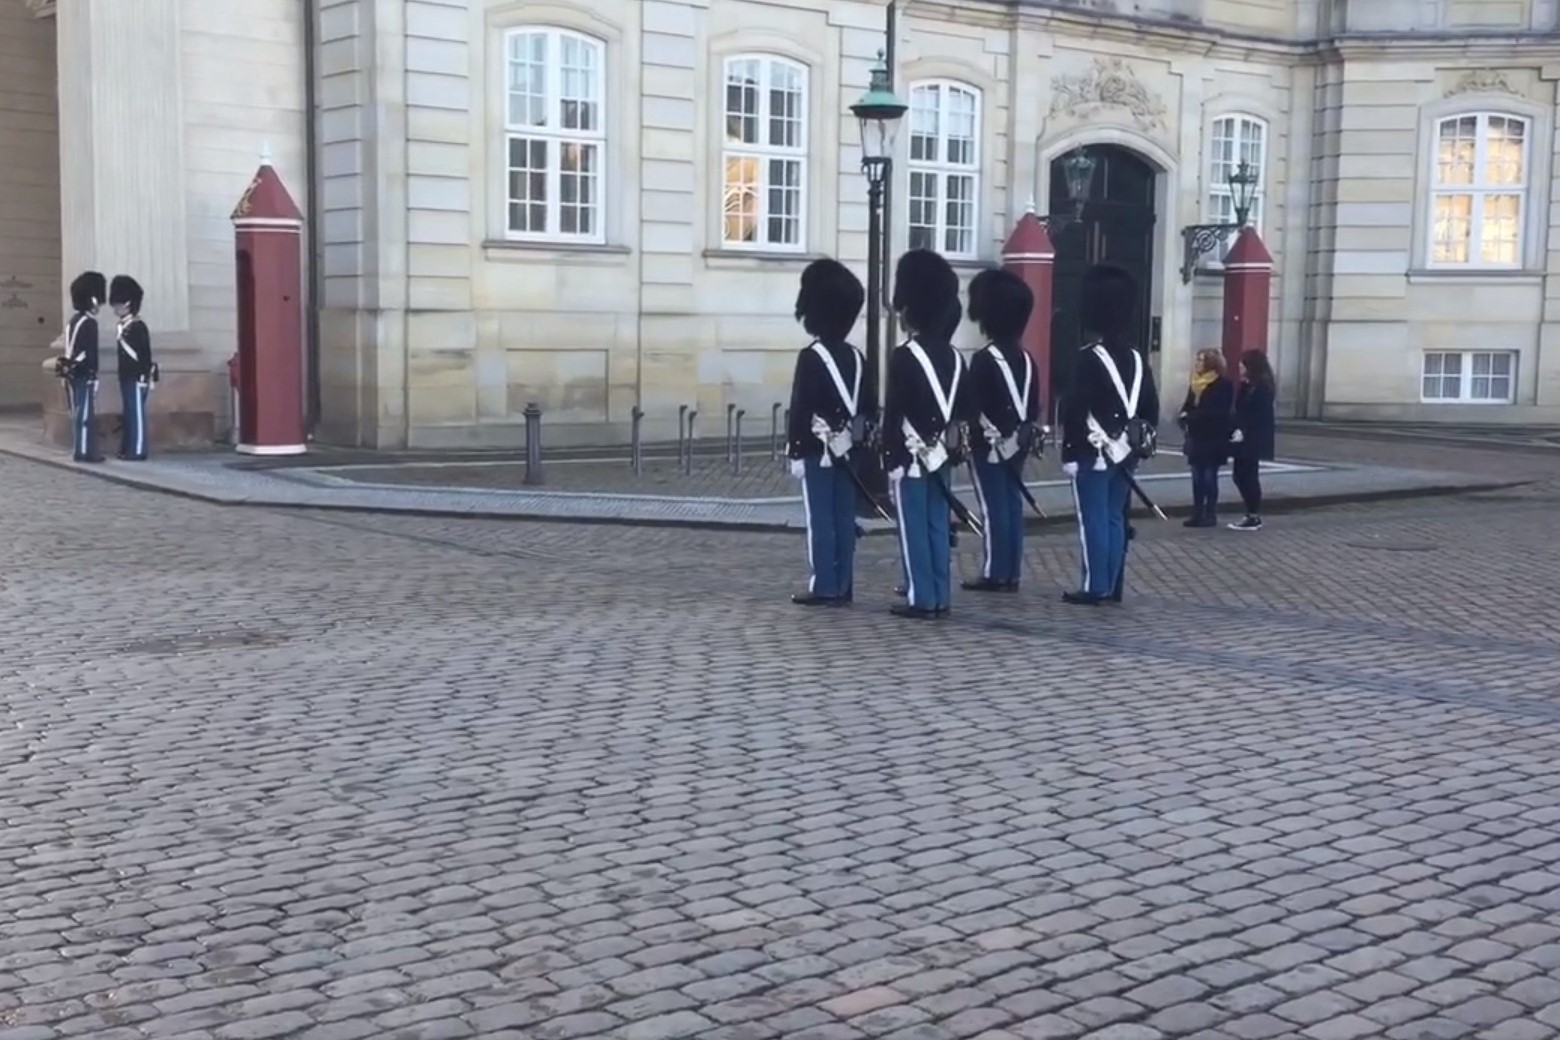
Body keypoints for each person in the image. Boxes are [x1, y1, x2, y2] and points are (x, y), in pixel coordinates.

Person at [1058, 264, 1160, 605]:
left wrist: (1070, 452)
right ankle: (1113, 582)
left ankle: (1094, 585)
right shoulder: (1136, 357)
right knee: (1115, 517)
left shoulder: (1088, 359)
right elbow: (1151, 407)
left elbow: (1074, 408)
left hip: (1093, 450)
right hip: (1126, 453)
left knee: (1093, 520)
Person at [883, 250, 970, 619]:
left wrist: (889, 457)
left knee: (913, 528)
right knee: (937, 525)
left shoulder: (905, 355)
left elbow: (895, 412)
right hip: (942, 456)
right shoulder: (955, 357)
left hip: (911, 457)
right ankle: (940, 595)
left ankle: (921, 597)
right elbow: (962, 411)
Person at [785, 258, 867, 605]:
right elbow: (866, 407)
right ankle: (845, 583)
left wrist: (796, 449)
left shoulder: (811, 356)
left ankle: (825, 585)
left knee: (821, 519)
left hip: (818, 452)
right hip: (849, 451)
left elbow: (801, 406)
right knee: (844, 517)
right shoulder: (858, 357)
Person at [963, 268, 1041, 592]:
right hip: (1018, 441)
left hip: (990, 444)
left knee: (994, 506)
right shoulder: (1026, 359)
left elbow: (971, 404)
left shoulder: (984, 359)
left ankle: (996, 571)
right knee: (1011, 503)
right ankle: (1011, 571)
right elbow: (1034, 401)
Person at [1178, 348, 1235, 528]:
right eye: (1197, 359)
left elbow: (1218, 411)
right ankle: (1197, 513)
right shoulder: (1195, 383)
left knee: (1209, 476)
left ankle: (1210, 514)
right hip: (1196, 435)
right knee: (1196, 476)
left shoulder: (1223, 384)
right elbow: (1187, 406)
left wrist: (1192, 416)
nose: (1197, 363)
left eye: (1201, 360)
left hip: (1214, 437)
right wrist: (1183, 417)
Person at [56, 271, 106, 463]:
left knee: (78, 411)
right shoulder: (89, 323)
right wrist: (93, 373)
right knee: (84, 413)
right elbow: (89, 353)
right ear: (93, 299)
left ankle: (82, 447)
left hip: (72, 371)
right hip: (84, 372)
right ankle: (84, 451)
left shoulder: (73, 322)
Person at [1229, 349, 1277, 531]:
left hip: (1253, 437)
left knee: (1247, 476)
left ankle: (1253, 514)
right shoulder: (1247, 385)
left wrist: (1244, 429)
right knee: (1240, 475)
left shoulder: (1262, 387)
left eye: (1243, 363)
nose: (1240, 366)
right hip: (1244, 436)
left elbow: (1258, 415)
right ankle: (1250, 513)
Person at [110, 275, 155, 461]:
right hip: (126, 376)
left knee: (136, 414)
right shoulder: (124, 326)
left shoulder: (137, 327)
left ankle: (137, 450)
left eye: (118, 303)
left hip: (137, 377)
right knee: (129, 413)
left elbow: (144, 356)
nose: (115, 308)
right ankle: (127, 447)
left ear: (127, 303)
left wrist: (144, 376)